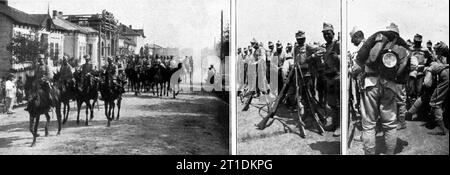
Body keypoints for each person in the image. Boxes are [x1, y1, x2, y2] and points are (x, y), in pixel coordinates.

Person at [356, 23, 410, 155]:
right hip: (390, 86)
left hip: (371, 83)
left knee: (369, 124)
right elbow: (405, 75)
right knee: (390, 124)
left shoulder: (377, 36)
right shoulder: (404, 46)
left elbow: (360, 58)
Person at [320, 23, 341, 136]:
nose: (326, 36)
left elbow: (345, 59)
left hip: (337, 77)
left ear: (333, 33)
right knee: (332, 103)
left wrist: (337, 57)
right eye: (324, 34)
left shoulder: (337, 44)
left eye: (328, 33)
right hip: (329, 78)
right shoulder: (326, 46)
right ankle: (334, 123)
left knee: (338, 103)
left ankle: (339, 126)